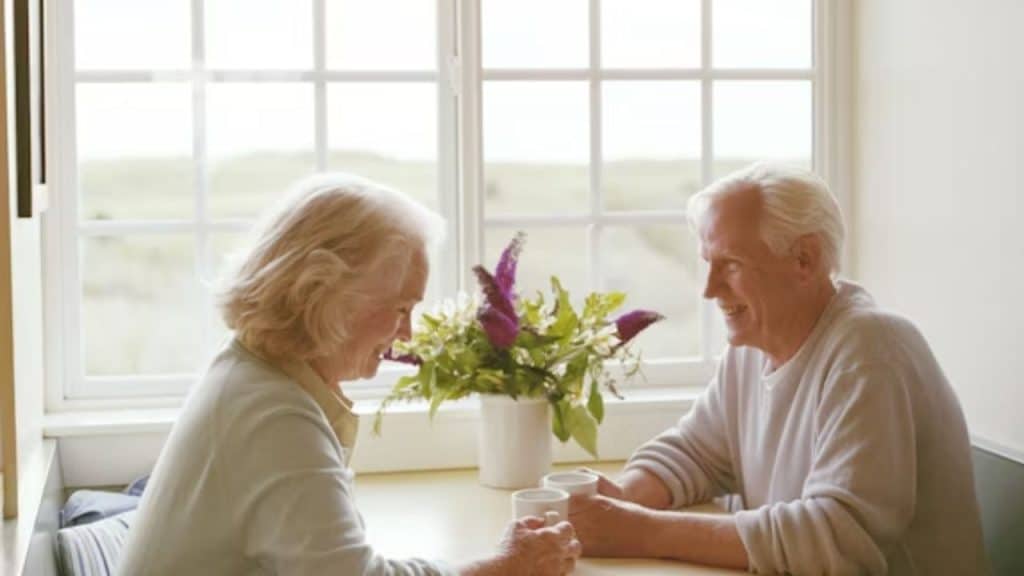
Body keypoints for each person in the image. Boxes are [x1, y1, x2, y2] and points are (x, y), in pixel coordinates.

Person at [117, 173, 581, 576]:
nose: (406, 335)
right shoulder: (272, 415)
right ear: (325, 294)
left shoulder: (257, 377)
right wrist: (503, 567)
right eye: (401, 308)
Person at [569, 162, 989, 575]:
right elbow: (696, 452)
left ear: (804, 259)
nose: (709, 289)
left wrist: (641, 531)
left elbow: (839, 539)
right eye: (708, 262)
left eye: (731, 264)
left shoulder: (870, 349)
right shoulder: (752, 346)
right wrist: (621, 498)